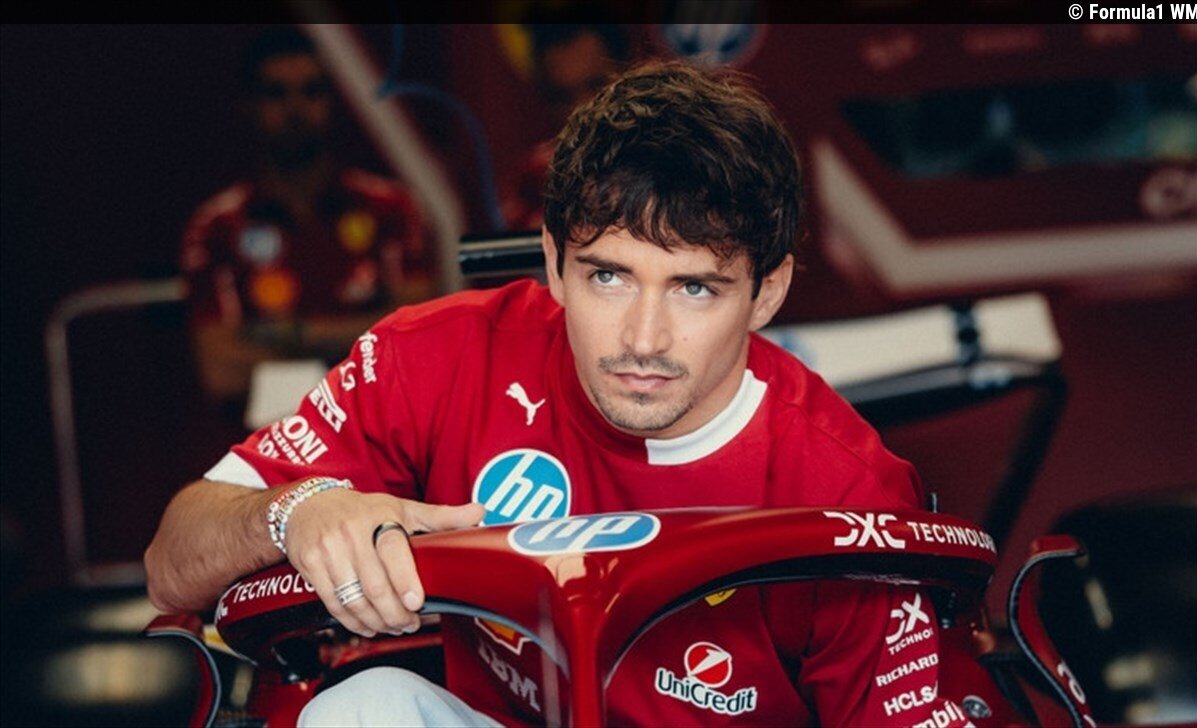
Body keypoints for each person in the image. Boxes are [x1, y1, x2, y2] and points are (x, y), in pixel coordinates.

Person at [147, 61, 969, 726]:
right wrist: (297, 512)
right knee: (361, 710)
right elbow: (171, 564)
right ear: (552, 262)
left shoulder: (847, 491)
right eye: (608, 276)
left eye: (694, 288)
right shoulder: (438, 358)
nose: (643, 338)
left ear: (768, 293)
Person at [181, 28, 436, 404]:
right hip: (265, 432)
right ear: (248, 104)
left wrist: (293, 334)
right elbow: (220, 371)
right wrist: (356, 339)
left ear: (332, 100)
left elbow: (416, 337)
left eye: (311, 91)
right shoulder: (217, 226)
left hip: (377, 425)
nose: (295, 109)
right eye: (277, 93)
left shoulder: (389, 207)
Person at [501, 22, 628, 230]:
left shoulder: (671, 158)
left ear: (631, 75)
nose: (580, 109)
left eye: (596, 86)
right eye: (562, 97)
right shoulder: (533, 180)